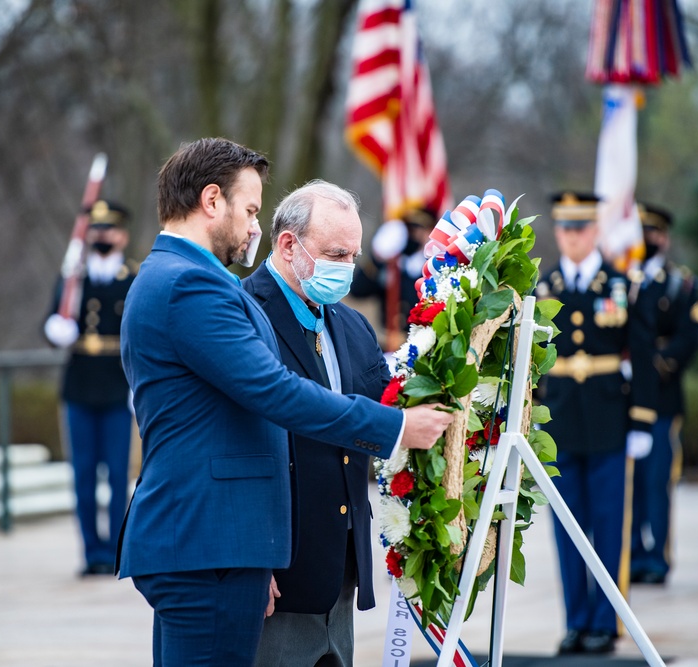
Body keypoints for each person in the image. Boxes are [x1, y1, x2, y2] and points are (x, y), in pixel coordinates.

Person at [114, 137, 453, 666]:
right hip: (211, 545)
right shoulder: (190, 287)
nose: (256, 226)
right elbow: (275, 391)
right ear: (210, 201)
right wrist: (393, 427)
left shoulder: (185, 279)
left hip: (223, 545)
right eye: (250, 210)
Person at [241, 180, 386, 666]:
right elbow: (239, 446)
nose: (346, 269)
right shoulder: (242, 315)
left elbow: (374, 421)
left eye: (353, 256)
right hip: (280, 577)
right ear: (288, 244)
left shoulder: (351, 324)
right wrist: (254, 562)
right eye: (336, 254)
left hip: (341, 572)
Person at [535, 191, 658, 655]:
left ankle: (607, 622)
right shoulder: (543, 290)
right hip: (562, 421)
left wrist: (643, 422)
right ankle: (576, 621)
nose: (571, 237)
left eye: (580, 228)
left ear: (595, 232)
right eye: (564, 228)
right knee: (568, 527)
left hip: (610, 421)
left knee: (609, 526)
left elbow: (643, 356)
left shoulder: (621, 285)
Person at [43, 200, 136, 576]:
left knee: (116, 474)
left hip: (116, 386)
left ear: (122, 235)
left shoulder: (131, 279)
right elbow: (53, 320)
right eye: (96, 230)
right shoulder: (73, 279)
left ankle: (115, 549)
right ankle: (90, 551)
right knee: (82, 474)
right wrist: (55, 329)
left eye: (109, 229)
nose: (102, 236)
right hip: (80, 385)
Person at [627, 203, 698, 586]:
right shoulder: (624, 279)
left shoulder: (681, 284)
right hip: (627, 398)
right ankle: (634, 554)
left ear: (664, 237)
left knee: (657, 481)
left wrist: (653, 363)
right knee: (631, 482)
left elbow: (690, 338)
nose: (645, 239)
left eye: (652, 232)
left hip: (662, 395)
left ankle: (658, 557)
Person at [350, 207, 437, 345]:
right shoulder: (392, 266)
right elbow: (357, 291)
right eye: (410, 230)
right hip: (388, 344)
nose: (413, 236)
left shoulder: (435, 268)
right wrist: (378, 258)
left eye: (419, 230)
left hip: (423, 344)